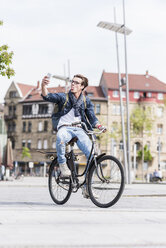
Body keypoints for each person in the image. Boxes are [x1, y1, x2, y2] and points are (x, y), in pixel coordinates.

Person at [41, 74, 106, 197]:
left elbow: (92, 117)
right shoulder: (63, 97)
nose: (73, 84)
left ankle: (87, 187)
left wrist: (99, 126)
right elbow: (47, 96)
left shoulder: (86, 101)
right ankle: (62, 164)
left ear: (82, 86)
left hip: (79, 129)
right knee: (60, 138)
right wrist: (43, 86)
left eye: (76, 83)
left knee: (91, 155)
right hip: (64, 127)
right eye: (72, 82)